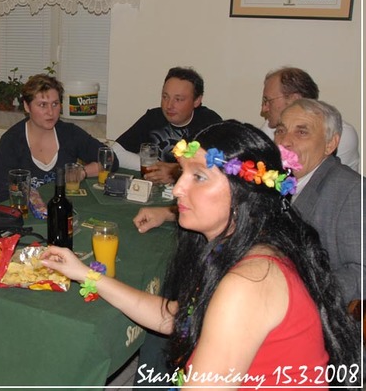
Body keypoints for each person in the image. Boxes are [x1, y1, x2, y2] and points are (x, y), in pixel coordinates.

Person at [41, 120, 359, 388]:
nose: (179, 188)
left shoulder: (250, 282)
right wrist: (85, 274)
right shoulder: (239, 248)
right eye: (183, 173)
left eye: (199, 177)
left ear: (243, 193)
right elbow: (175, 317)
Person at [274, 98, 364, 303]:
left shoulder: (352, 191)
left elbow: (361, 274)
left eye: (301, 132)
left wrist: (299, 295)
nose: (284, 141)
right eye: (280, 130)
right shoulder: (273, 182)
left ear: (330, 144)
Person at [0, 74, 117, 202]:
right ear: (26, 106)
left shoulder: (69, 133)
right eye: (42, 105)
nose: (50, 112)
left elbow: (110, 159)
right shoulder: (11, 141)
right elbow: (3, 195)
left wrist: (82, 172)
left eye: (55, 104)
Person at [112, 67, 222, 184]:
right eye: (165, 97)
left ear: (196, 101)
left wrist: (175, 172)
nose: (169, 105)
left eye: (178, 99)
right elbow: (114, 153)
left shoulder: (210, 123)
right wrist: (156, 166)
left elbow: (221, 167)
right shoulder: (153, 118)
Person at [259, 66, 359, 171]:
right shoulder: (270, 128)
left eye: (268, 101)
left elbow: (323, 178)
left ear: (295, 100)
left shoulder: (338, 134)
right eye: (280, 131)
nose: (264, 109)